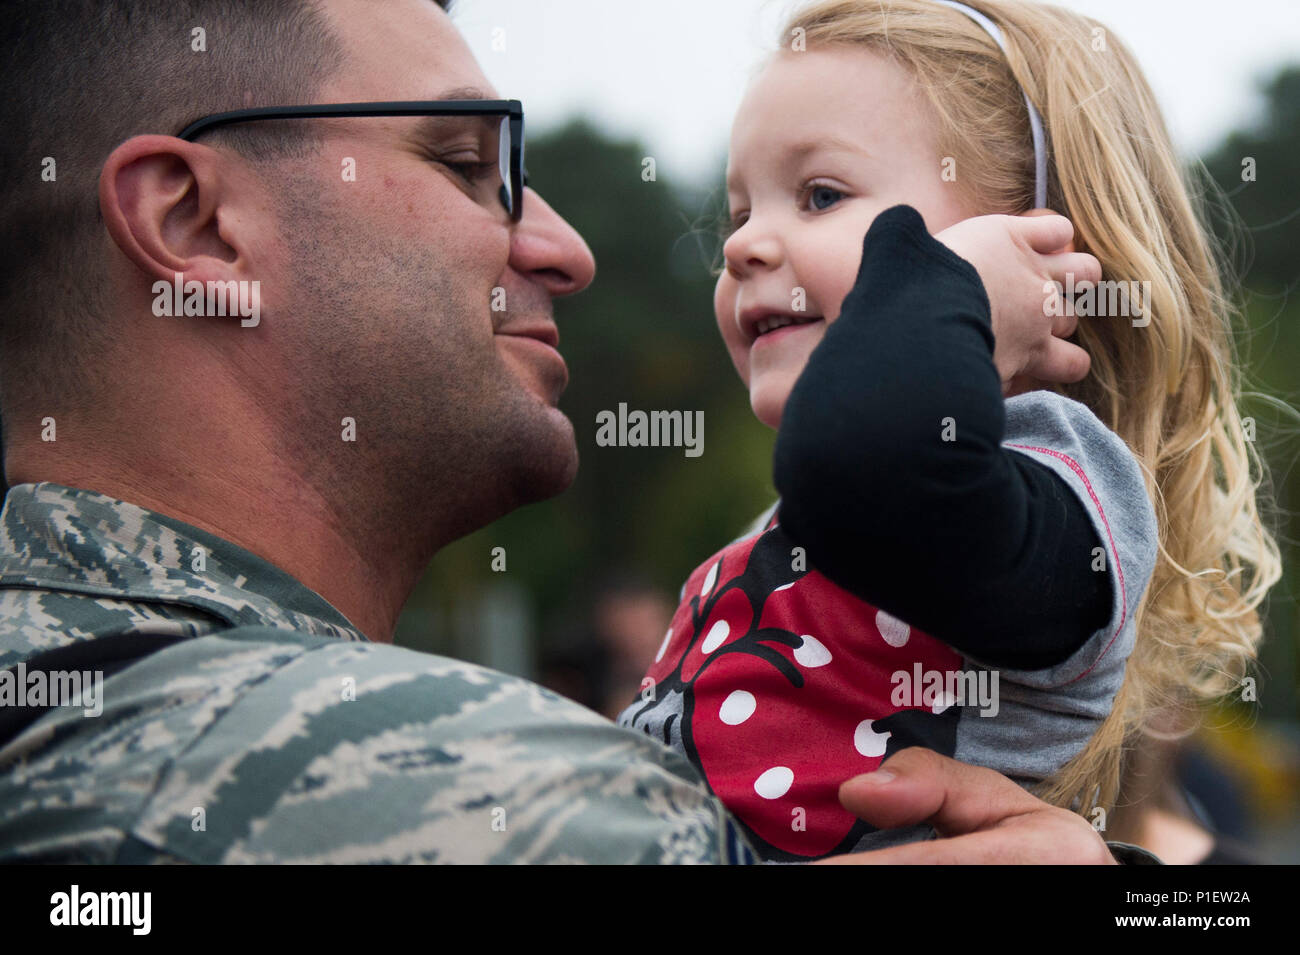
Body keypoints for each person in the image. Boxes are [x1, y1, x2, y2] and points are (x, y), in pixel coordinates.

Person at [0, 0, 1133, 864]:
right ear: (194, 223)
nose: (566, 249)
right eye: (463, 165)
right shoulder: (449, 795)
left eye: (824, 197)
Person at [618, 0, 1281, 861]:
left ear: (1039, 241)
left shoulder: (1063, 499)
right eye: (738, 214)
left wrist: (951, 284)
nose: (745, 246)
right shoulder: (792, 521)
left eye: (821, 195)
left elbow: (871, 461)